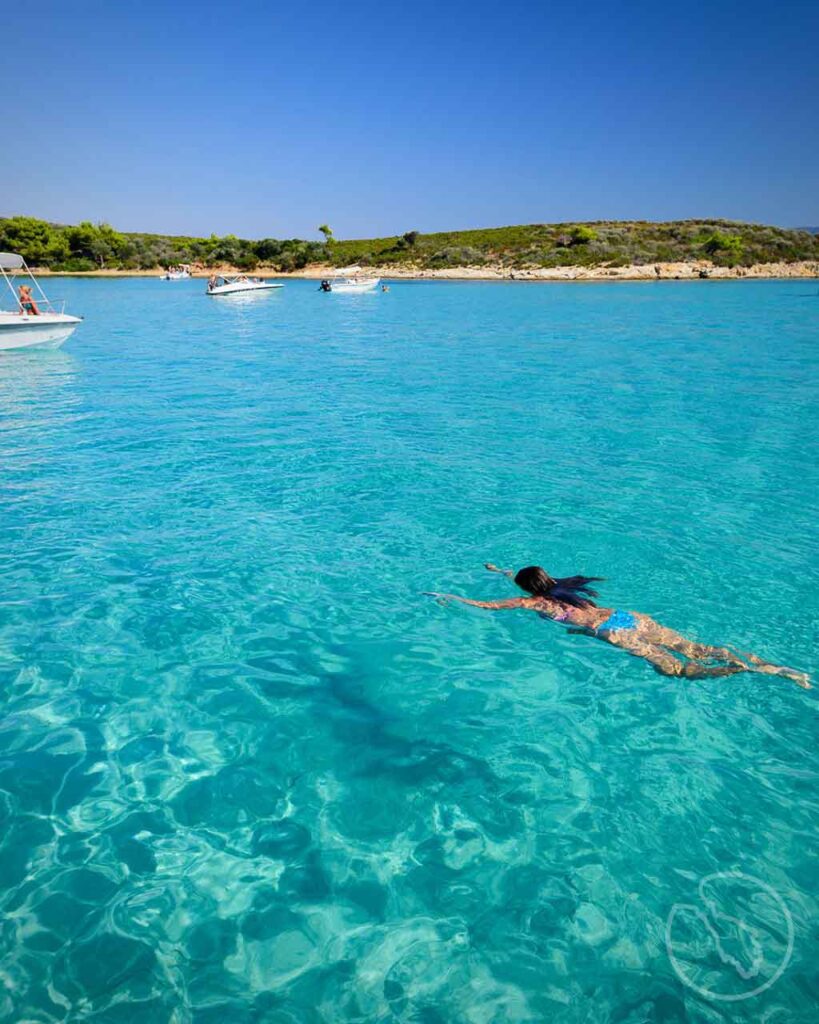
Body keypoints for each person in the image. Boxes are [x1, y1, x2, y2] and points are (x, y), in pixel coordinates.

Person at [427, 564, 810, 688]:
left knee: (677, 670)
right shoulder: (561, 587)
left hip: (614, 632)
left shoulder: (534, 602)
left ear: (527, 589)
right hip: (628, 617)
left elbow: (489, 606)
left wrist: (451, 597)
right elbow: (527, 579)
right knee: (696, 649)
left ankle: (744, 670)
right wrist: (504, 569)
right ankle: (771, 665)